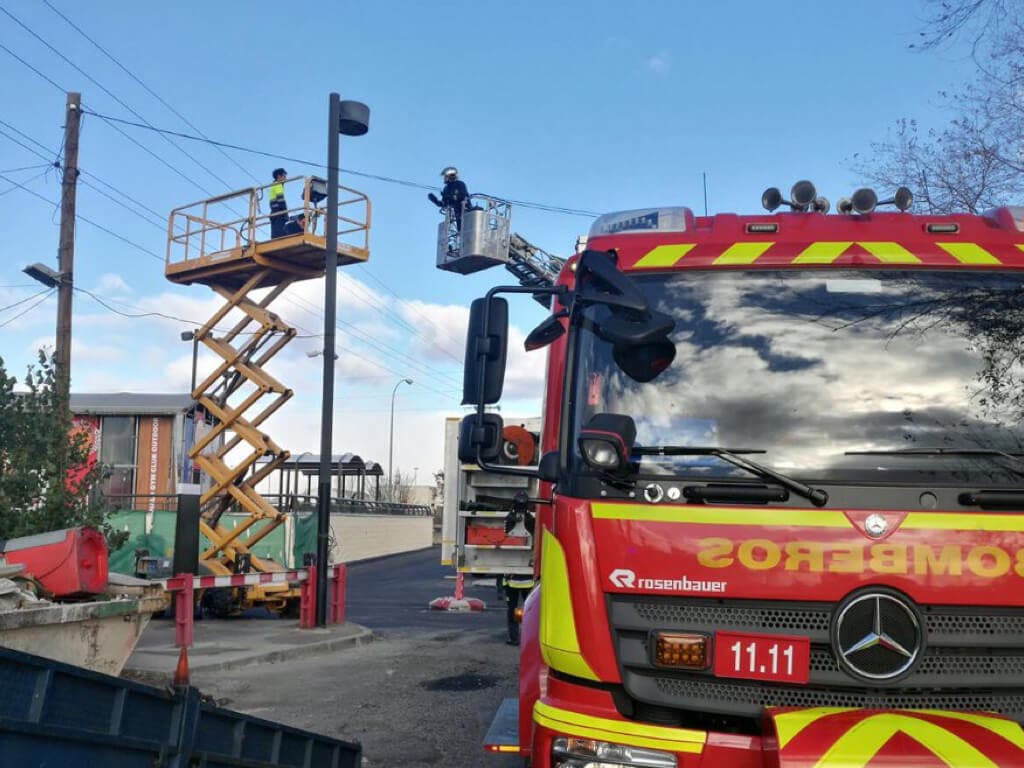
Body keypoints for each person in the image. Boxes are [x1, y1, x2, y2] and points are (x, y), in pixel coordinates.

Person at [428, 167, 471, 231]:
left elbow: (462, 196)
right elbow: (444, 204)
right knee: (461, 230)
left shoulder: (460, 184)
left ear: (450, 176)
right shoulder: (446, 188)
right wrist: (434, 200)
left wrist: (450, 197)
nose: (444, 178)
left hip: (465, 211)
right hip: (457, 213)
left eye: (445, 176)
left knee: (467, 228)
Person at [502, 572, 536, 645]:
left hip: (511, 582)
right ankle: (530, 637)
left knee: (513, 609)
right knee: (530, 609)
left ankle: (514, 638)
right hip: (529, 582)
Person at [269, 168, 288, 238]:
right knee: (281, 235)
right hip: (279, 213)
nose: (285, 179)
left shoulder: (273, 185)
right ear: (279, 176)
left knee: (275, 235)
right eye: (284, 176)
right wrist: (285, 213)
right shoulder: (278, 185)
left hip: (274, 213)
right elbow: (281, 200)